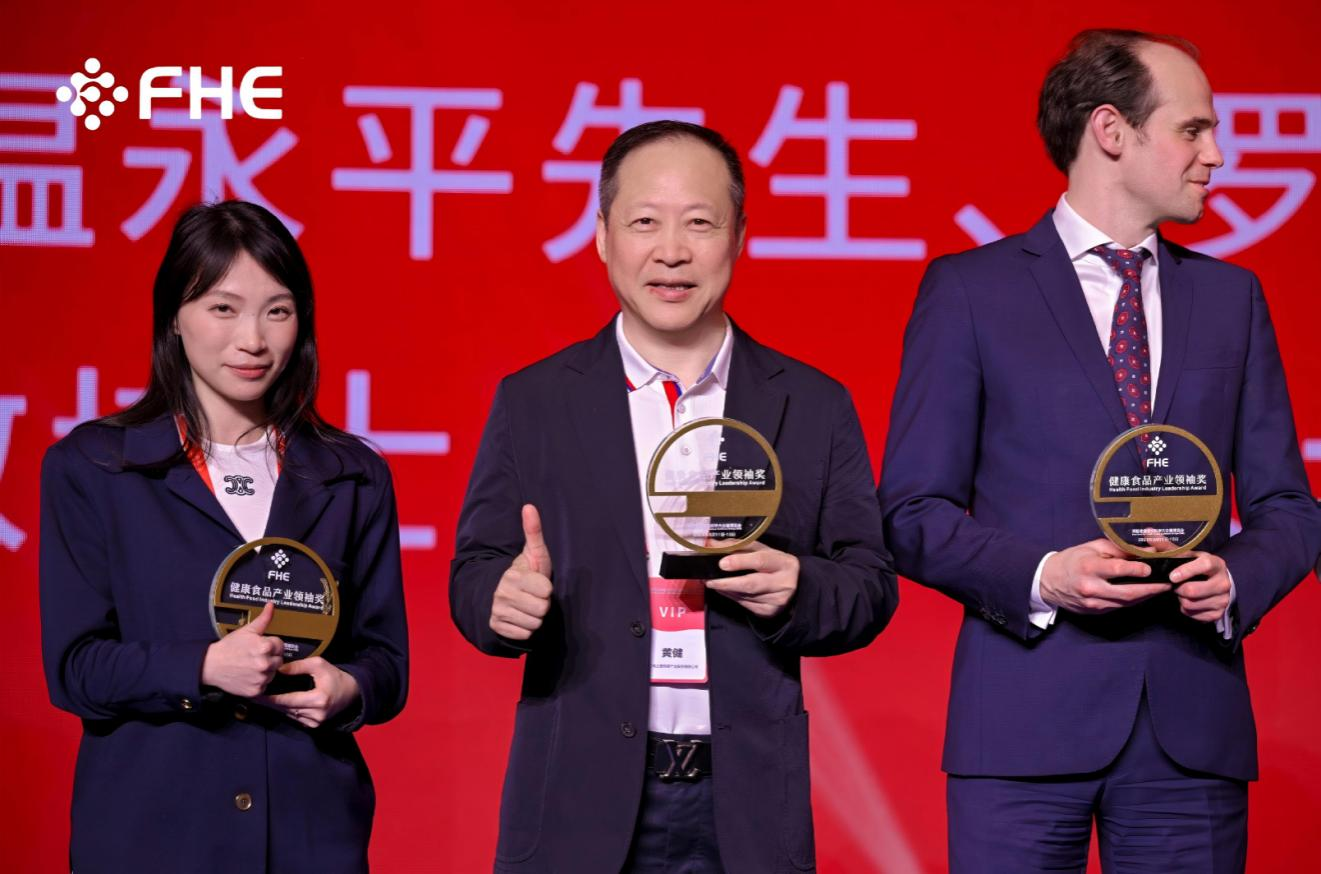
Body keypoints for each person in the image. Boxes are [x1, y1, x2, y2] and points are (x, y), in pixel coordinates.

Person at [878, 29, 1321, 873]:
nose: (1215, 155)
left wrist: (1235, 580)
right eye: (1192, 130)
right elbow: (909, 511)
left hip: (1190, 730)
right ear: (1111, 130)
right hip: (1019, 727)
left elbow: (1288, 508)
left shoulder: (1230, 298)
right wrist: (1044, 575)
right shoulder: (971, 290)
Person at [450, 120, 897, 873]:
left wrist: (798, 586)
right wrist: (499, 602)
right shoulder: (535, 400)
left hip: (745, 801)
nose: (671, 251)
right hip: (578, 798)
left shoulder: (812, 404)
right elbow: (475, 572)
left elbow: (869, 586)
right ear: (601, 236)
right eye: (644, 223)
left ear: (739, 235)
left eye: (699, 223)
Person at [40, 200, 409, 873]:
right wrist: (204, 668)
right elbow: (75, 670)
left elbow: (387, 664)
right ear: (174, 318)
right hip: (153, 838)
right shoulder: (96, 468)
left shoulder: (352, 475)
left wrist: (348, 689)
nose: (253, 340)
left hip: (310, 835)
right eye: (223, 308)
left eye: (277, 310)